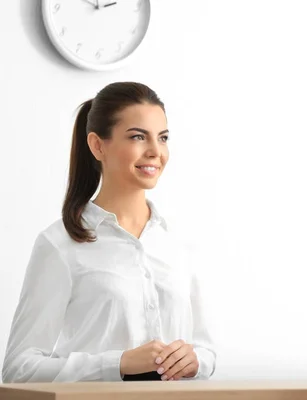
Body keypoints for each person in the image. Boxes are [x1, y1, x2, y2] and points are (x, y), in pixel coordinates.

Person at [2, 82, 216, 383]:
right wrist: (119, 363)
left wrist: (195, 361)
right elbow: (18, 369)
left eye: (163, 138)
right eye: (138, 137)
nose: (156, 151)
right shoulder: (59, 244)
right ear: (97, 145)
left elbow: (206, 351)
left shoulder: (178, 243)